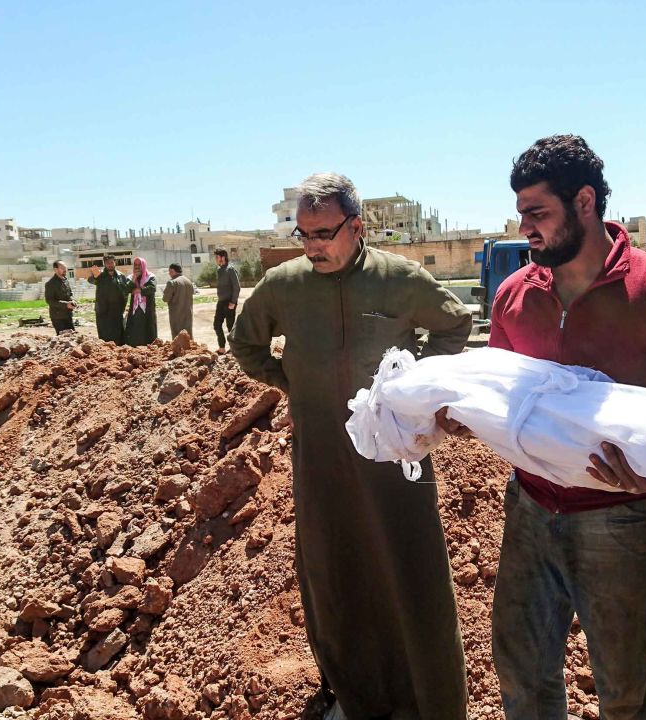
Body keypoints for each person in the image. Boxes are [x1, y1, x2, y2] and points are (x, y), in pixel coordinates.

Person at [470, 135, 646, 720]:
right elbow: (501, 392)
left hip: (623, 521)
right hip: (530, 509)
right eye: (521, 214)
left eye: (538, 213)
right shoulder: (512, 297)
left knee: (624, 691)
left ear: (585, 202)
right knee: (523, 674)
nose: (525, 228)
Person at [230, 172, 473, 719]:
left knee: (412, 572)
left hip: (392, 459)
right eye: (304, 234)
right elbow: (245, 342)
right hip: (320, 456)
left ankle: (431, 700)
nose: (313, 246)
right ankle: (355, 693)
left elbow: (455, 325)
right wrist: (295, 383)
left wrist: (417, 395)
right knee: (335, 573)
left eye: (324, 233)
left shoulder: (398, 279)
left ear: (356, 227)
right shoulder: (284, 286)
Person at [88, 254, 128, 343]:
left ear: (115, 263)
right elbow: (91, 280)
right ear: (104, 264)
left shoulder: (121, 276)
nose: (110, 264)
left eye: (111, 262)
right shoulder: (100, 275)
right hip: (103, 312)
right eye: (107, 263)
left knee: (118, 334)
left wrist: (123, 306)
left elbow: (125, 292)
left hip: (117, 311)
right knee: (105, 336)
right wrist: (95, 276)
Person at [122, 256, 158, 346]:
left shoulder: (150, 277)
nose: (137, 267)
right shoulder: (131, 277)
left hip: (147, 309)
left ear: (143, 265)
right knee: (134, 328)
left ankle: (149, 347)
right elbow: (125, 290)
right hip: (135, 310)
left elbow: (152, 288)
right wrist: (133, 280)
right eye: (135, 265)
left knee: (148, 328)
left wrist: (140, 290)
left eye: (139, 265)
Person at [213, 248, 239, 353]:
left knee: (230, 326)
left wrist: (233, 301)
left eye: (217, 257)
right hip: (221, 302)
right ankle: (222, 348)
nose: (215, 259)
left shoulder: (230, 269)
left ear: (223, 258)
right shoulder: (219, 270)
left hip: (229, 302)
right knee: (216, 325)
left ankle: (234, 349)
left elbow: (237, 286)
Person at [162, 263, 195, 340]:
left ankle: (179, 351)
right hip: (188, 313)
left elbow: (165, 299)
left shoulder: (172, 282)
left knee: (177, 336)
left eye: (170, 271)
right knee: (188, 334)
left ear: (173, 271)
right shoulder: (188, 281)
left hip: (176, 314)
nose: (169, 273)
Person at [44, 261, 75, 334]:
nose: (65, 269)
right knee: (63, 339)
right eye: (62, 268)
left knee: (73, 337)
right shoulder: (50, 284)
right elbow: (50, 301)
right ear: (55, 269)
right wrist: (66, 304)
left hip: (68, 315)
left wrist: (73, 301)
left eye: (65, 267)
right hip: (58, 317)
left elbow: (70, 294)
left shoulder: (65, 280)